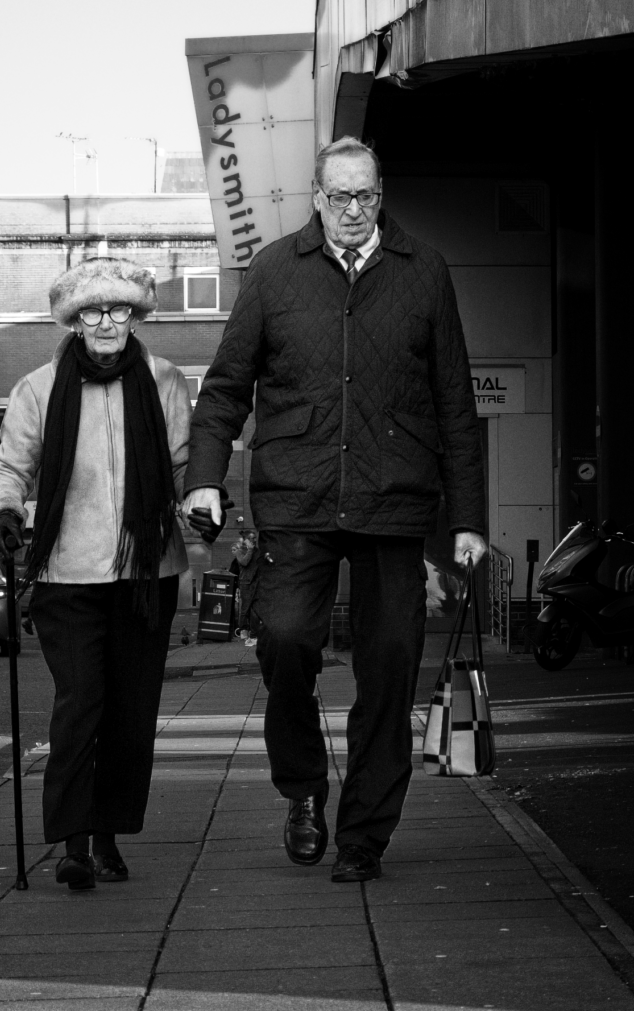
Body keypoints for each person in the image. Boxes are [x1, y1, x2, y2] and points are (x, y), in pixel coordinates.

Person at [183, 136, 487, 883]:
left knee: (387, 671)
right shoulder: (274, 271)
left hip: (393, 502)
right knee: (284, 643)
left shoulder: (424, 274)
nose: (352, 210)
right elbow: (224, 388)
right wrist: (203, 479)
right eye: (338, 196)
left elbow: (454, 400)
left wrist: (467, 520)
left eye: (365, 196)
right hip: (297, 496)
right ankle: (303, 789)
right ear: (316, 197)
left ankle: (363, 838)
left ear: (380, 196)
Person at [0, 257, 191, 891]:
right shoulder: (38, 388)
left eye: (119, 310)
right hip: (66, 573)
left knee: (130, 711)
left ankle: (107, 835)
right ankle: (73, 842)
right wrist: (3, 511)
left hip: (146, 575)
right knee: (80, 704)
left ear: (135, 316)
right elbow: (10, 469)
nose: (107, 322)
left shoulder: (164, 381)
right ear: (74, 322)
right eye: (93, 312)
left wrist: (200, 504)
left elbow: (181, 467)